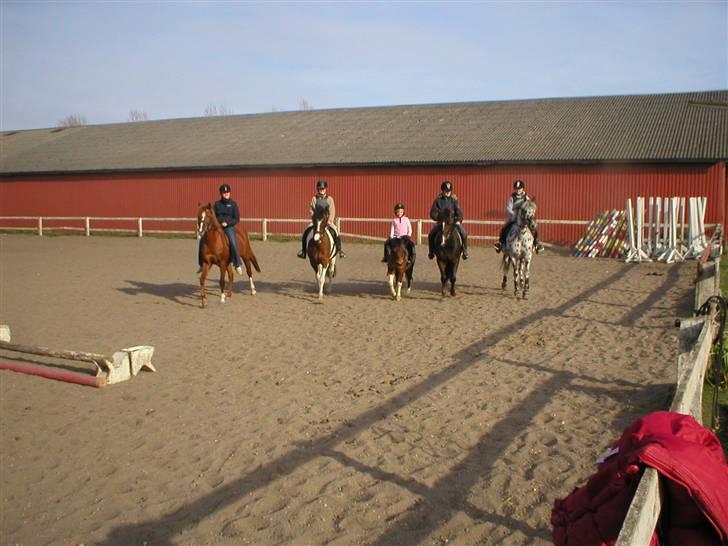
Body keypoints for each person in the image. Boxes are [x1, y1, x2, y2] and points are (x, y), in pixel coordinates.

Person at [198, 183, 243, 275]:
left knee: (233, 241)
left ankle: (237, 263)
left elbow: (236, 218)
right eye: (224, 192)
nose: (226, 194)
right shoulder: (217, 204)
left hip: (229, 227)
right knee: (202, 240)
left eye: (228, 192)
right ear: (221, 194)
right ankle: (201, 264)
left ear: (230, 193)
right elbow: (213, 216)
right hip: (217, 227)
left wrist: (227, 223)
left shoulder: (233, 204)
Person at [297, 179, 346, 259]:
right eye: (320, 189)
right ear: (318, 189)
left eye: (323, 189)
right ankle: (303, 251)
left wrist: (330, 221)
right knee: (305, 231)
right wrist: (314, 219)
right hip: (316, 222)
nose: (321, 190)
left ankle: (340, 250)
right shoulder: (314, 199)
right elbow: (311, 210)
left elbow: (332, 211)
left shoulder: (330, 199)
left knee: (336, 231)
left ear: (325, 189)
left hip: (327, 221)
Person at [494, 179, 544, 254]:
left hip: (524, 218)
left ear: (522, 188)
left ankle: (537, 244)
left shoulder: (526, 197)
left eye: (519, 188)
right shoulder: (512, 197)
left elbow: (529, 206)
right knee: (505, 227)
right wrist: (514, 214)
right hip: (513, 216)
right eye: (516, 189)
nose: (518, 190)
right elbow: (509, 208)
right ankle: (500, 243)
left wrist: (528, 214)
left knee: (534, 226)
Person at [427, 180, 468, 260]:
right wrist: (438, 218)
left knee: (464, 233)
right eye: (446, 191)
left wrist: (459, 219)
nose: (448, 193)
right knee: (431, 234)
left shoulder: (454, 200)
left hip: (452, 223)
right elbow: (433, 213)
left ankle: (465, 251)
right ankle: (431, 252)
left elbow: (458, 211)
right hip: (441, 223)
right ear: (442, 191)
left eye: (449, 191)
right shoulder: (438, 201)